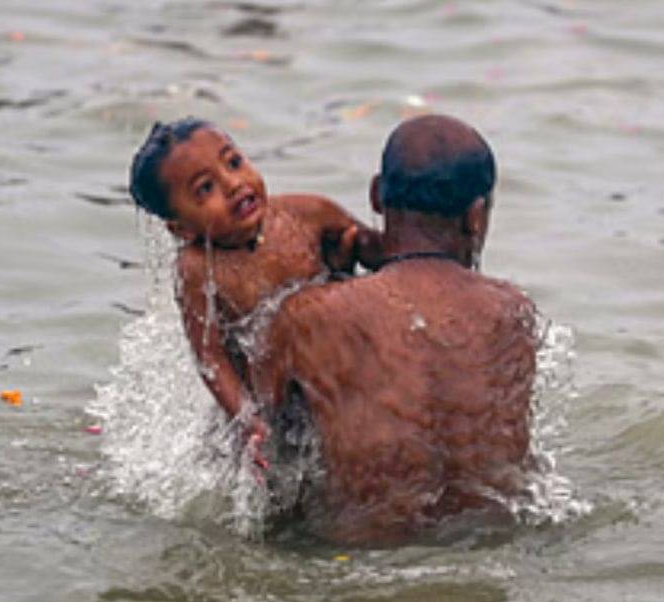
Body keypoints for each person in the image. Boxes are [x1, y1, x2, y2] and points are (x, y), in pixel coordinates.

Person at [250, 114, 539, 546]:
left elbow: (254, 451)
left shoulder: (308, 316)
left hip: (356, 559)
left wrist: (325, 282)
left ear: (375, 195)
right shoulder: (513, 314)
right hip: (487, 550)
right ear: (476, 217)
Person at [128, 118, 379, 466]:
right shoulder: (198, 269)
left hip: (333, 384)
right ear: (181, 229)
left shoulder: (308, 214)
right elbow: (210, 356)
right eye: (205, 188)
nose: (234, 184)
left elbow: (381, 254)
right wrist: (245, 417)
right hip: (271, 410)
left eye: (234, 162)